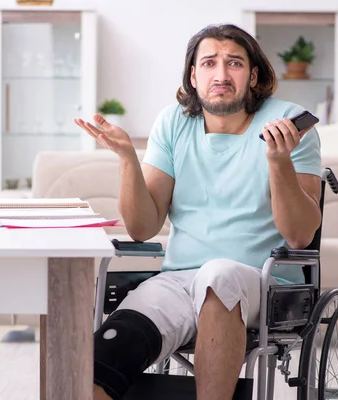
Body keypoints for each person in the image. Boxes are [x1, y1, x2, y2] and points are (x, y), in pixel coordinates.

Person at [74, 23, 322, 400]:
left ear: (254, 76)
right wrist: (128, 159)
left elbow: (300, 235)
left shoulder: (287, 125)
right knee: (107, 355)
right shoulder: (174, 122)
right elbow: (142, 228)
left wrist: (278, 161)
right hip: (179, 281)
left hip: (261, 283)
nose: (220, 75)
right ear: (193, 75)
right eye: (208, 63)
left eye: (234, 63)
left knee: (219, 276)